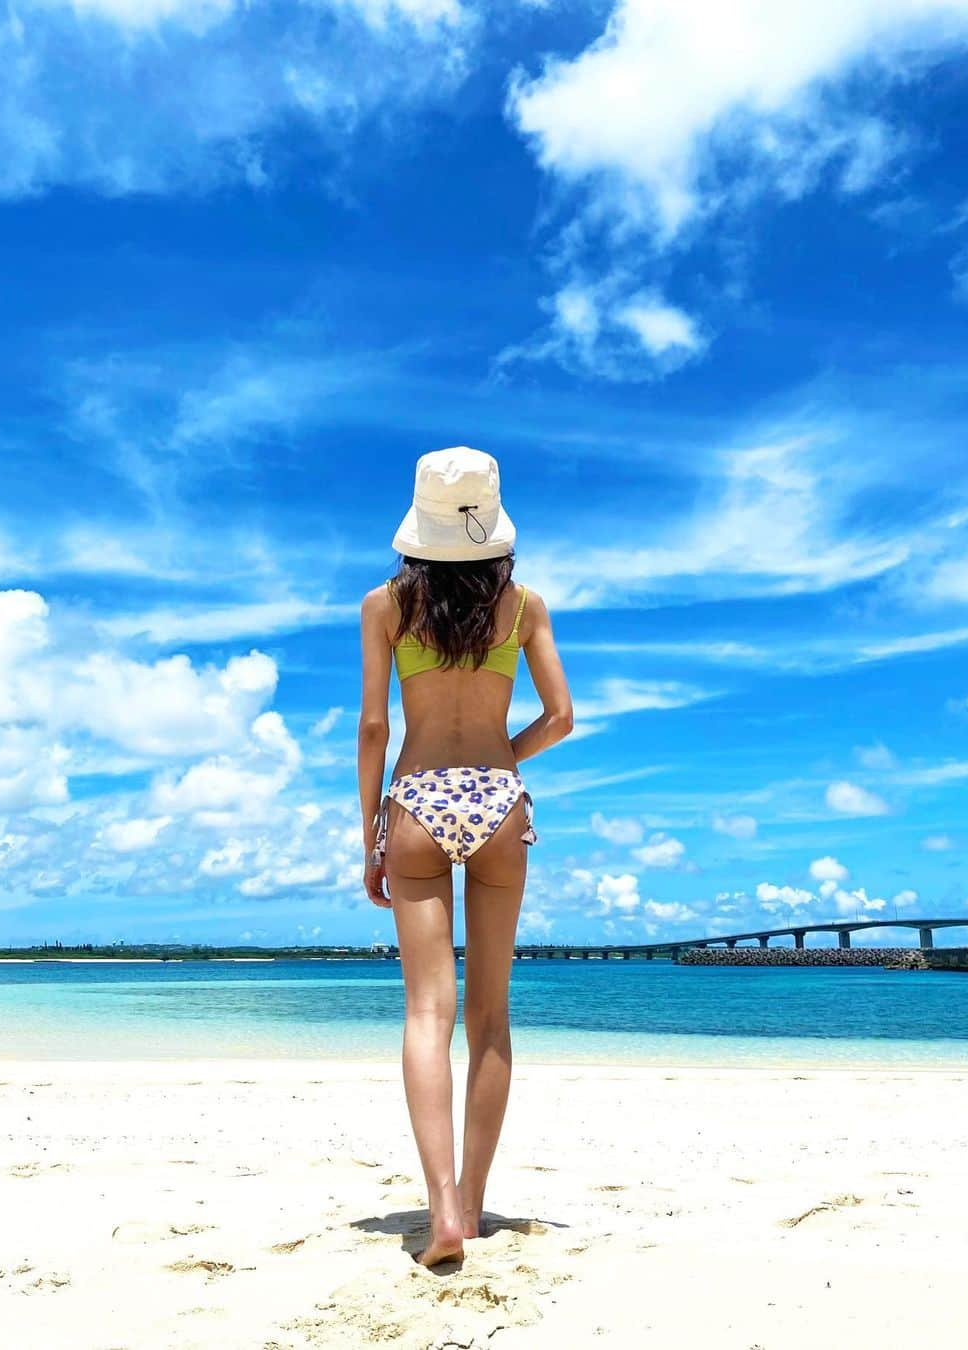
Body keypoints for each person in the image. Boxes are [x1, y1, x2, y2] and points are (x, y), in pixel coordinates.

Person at [357, 446, 574, 1267]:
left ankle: (440, 1205)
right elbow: (560, 717)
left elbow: (375, 727)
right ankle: (475, 1208)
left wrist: (370, 831)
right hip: (497, 800)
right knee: (489, 1016)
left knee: (426, 1015)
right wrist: (500, 767)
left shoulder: (384, 606)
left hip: (414, 798)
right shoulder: (524, 608)